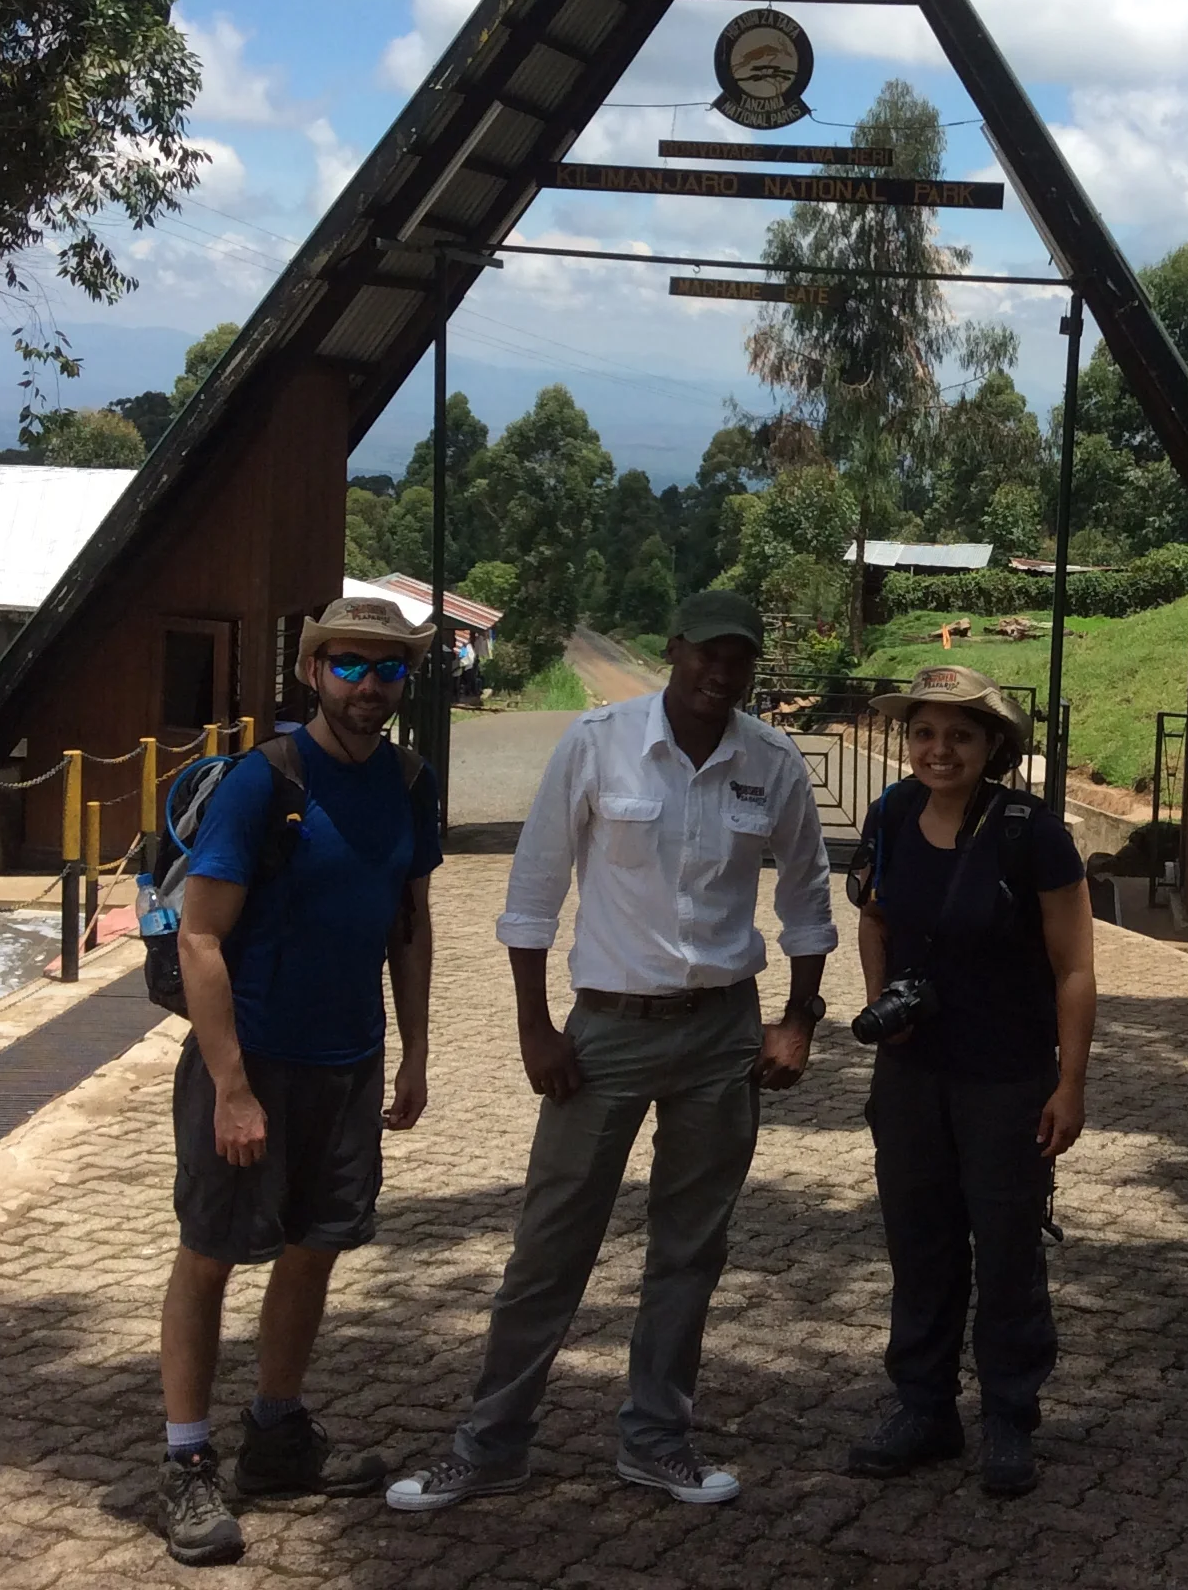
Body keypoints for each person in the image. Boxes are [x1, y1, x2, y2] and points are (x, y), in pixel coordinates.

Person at [386, 588, 834, 1513]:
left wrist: (798, 1022)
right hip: (605, 1035)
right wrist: (534, 1027)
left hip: (723, 1036)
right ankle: (490, 1444)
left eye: (738, 658)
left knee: (690, 1248)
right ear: (674, 648)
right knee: (550, 1245)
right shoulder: (599, 743)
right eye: (707, 653)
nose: (721, 672)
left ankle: (656, 1441)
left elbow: (807, 902)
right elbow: (534, 889)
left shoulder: (773, 761)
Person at [155, 595, 442, 1568]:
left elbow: (409, 921)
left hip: (349, 1061)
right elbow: (198, 935)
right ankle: (186, 1461)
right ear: (314, 671)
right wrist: (232, 1087)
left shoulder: (407, 779)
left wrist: (416, 1048)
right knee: (210, 1251)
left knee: (313, 1247)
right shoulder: (262, 781)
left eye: (389, 669)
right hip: (255, 1059)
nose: (370, 686)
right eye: (351, 666)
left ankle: (277, 1437)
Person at [842, 666, 1096, 1498]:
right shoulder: (890, 814)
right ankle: (924, 1407)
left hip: (1007, 1078)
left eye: (960, 734)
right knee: (919, 1241)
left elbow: (1075, 967)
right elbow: (874, 917)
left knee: (1009, 1248)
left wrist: (1070, 1085)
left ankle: (1010, 1420)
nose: (939, 749)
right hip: (913, 1074)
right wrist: (883, 1003)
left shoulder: (1032, 832)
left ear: (993, 746)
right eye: (924, 732)